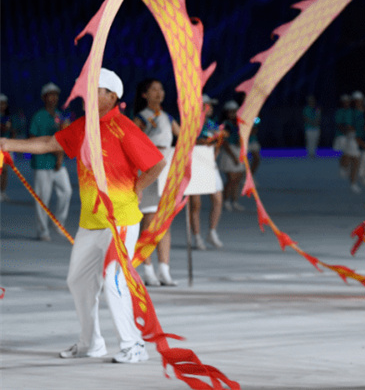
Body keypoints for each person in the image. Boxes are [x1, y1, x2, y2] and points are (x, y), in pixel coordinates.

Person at [0, 68, 166, 364]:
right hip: (91, 223)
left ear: (112, 96)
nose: (88, 95)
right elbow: (49, 143)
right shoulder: (84, 126)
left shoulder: (123, 127)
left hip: (120, 222)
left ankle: (134, 345)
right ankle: (91, 343)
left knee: (114, 280)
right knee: (77, 281)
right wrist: (7, 144)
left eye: (95, 90)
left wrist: (137, 187)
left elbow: (157, 163)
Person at [133, 78, 181, 286]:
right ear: (144, 94)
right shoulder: (141, 118)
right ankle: (147, 268)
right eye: (153, 89)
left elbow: (184, 137)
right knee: (150, 219)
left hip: (167, 171)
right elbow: (132, 142)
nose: (158, 92)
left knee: (164, 220)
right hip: (150, 169)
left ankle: (164, 269)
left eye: (161, 89)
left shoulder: (168, 117)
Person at [29, 82, 73, 241]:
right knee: (42, 198)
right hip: (42, 163)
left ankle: (58, 223)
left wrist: (60, 155)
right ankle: (42, 231)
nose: (53, 98)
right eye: (50, 95)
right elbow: (32, 138)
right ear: (44, 97)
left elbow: (65, 137)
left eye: (56, 95)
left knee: (66, 191)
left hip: (58, 162)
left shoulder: (60, 115)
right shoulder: (38, 116)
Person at [189, 95, 225, 250]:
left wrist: (216, 147)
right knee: (195, 204)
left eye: (210, 105)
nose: (209, 108)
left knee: (217, 199)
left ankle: (212, 231)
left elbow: (218, 143)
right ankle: (197, 236)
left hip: (209, 164)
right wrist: (201, 142)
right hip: (194, 164)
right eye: (207, 105)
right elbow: (185, 142)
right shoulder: (191, 124)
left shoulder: (212, 124)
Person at [219, 101, 246, 211]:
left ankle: (234, 201)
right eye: (230, 112)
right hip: (228, 152)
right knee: (231, 179)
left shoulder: (238, 123)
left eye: (234, 111)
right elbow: (224, 142)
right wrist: (233, 156)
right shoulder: (224, 124)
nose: (232, 114)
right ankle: (226, 201)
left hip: (238, 150)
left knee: (238, 179)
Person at [1, 93, 13, 202]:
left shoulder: (8, 117)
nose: (2, 106)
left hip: (7, 147)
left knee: (5, 170)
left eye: (4, 104)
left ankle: (3, 191)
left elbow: (11, 130)